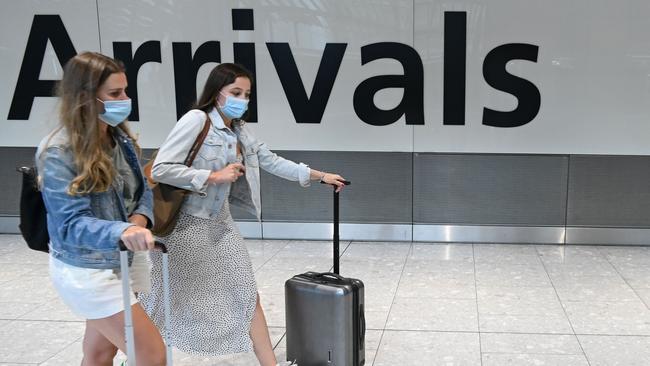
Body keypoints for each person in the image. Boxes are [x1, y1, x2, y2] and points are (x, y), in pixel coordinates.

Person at [139, 63, 346, 365]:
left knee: (246, 292)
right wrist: (212, 176)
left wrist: (320, 175)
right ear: (216, 93)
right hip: (185, 226)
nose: (242, 99)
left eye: (246, 94)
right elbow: (162, 169)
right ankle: (134, 349)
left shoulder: (239, 130)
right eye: (235, 92)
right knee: (166, 297)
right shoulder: (196, 120)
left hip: (220, 223)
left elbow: (271, 160)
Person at [37, 52, 166, 366]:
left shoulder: (120, 138)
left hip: (123, 260)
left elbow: (141, 191)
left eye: (125, 91)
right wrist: (124, 229)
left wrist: (139, 219)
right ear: (85, 98)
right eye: (115, 94)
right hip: (87, 269)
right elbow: (70, 223)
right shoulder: (59, 150)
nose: (125, 99)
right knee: (151, 354)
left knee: (99, 352)